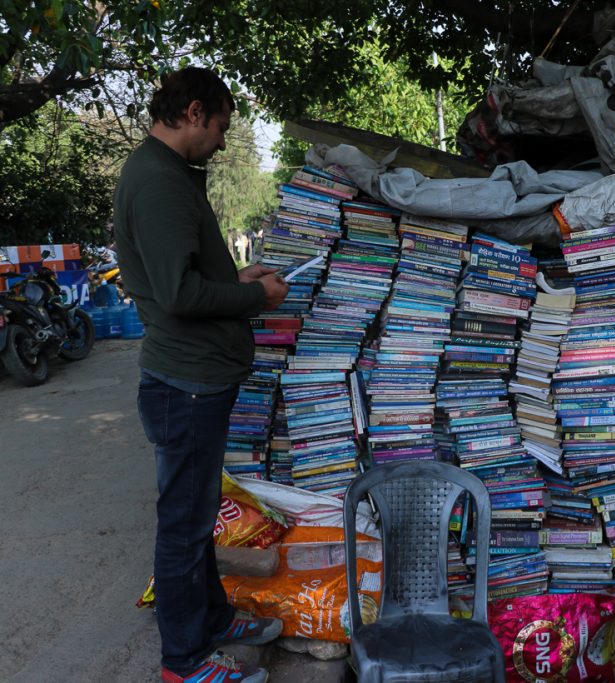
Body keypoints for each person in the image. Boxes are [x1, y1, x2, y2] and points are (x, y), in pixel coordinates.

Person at [114, 67, 289, 683]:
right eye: (218, 127)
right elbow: (179, 293)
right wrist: (254, 299)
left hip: (195, 381)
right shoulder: (158, 181)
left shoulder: (167, 174)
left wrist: (235, 280)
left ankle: (213, 621)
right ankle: (184, 662)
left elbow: (182, 279)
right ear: (193, 113)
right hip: (184, 384)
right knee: (184, 527)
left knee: (197, 512)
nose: (220, 140)